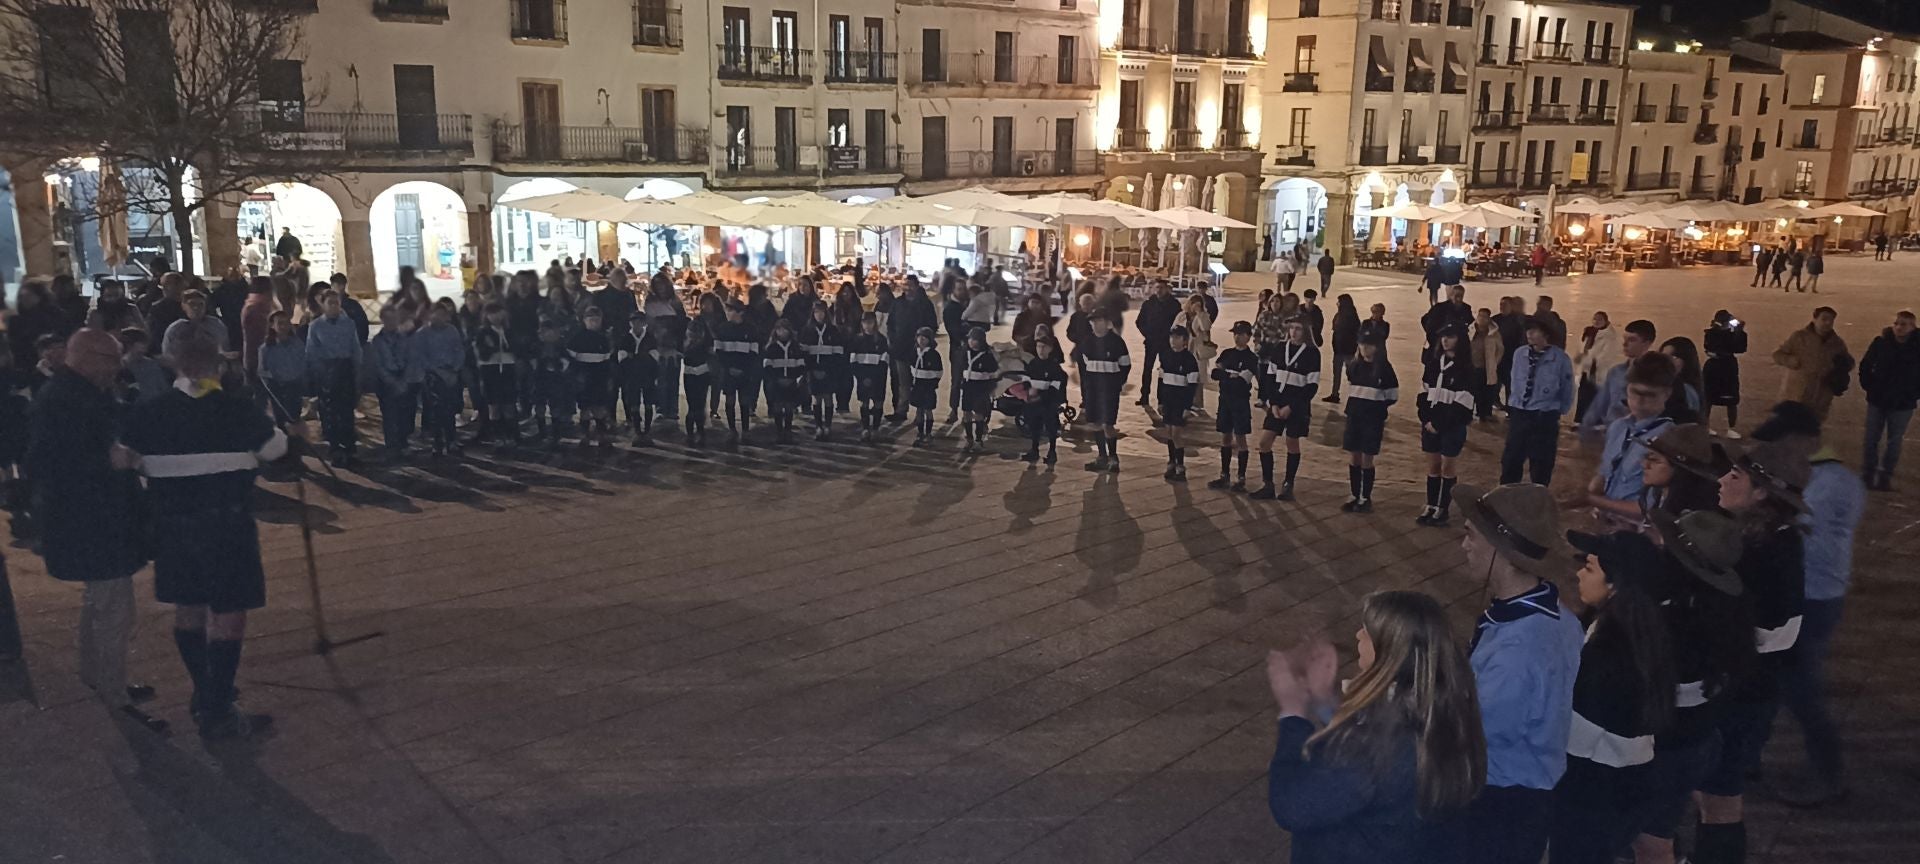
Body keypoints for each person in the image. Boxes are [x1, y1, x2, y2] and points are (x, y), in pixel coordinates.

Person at [123, 332, 287, 740]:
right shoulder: (238, 409)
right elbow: (275, 449)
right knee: (229, 614)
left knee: (189, 608)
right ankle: (218, 708)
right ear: (218, 366)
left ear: (176, 365)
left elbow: (127, 458)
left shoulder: (149, 413)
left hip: (173, 525)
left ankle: (204, 689)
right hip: (227, 526)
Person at [1265, 591, 1485, 864]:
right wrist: (1324, 701)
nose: (1358, 635)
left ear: (1391, 651)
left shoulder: (1382, 742)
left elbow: (1293, 806)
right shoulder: (1442, 709)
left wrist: (1293, 713)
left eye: (1367, 632)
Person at [27, 329, 163, 732]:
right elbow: (50, 463)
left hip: (93, 519)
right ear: (86, 357)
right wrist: (111, 461)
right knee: (114, 608)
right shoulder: (66, 400)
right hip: (94, 522)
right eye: (110, 360)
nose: (116, 368)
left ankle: (95, 674)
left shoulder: (74, 393)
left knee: (99, 601)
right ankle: (114, 691)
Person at [1451, 482, 1584, 864]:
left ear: (1501, 550)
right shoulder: (1556, 615)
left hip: (1500, 798)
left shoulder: (1519, 650)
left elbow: (1473, 732)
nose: (1464, 546)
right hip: (1529, 791)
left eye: (1471, 535)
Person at [1693, 434, 1809, 864]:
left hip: (1741, 695)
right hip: (1741, 688)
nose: (1722, 480)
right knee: (1709, 792)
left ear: (1761, 493)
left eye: (1735, 476)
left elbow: (1774, 632)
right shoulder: (1763, 539)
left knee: (1719, 796)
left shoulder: (1769, 551)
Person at [1750, 403, 1864, 809]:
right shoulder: (1824, 477)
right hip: (1805, 592)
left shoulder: (1828, 483)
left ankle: (1829, 776)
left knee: (1799, 688)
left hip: (1812, 597)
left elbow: (1793, 531)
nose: (1778, 450)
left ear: (1806, 440)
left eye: (1784, 442)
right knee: (1770, 678)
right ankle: (1749, 756)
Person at [1552, 529, 1677, 864]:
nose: (1578, 574)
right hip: (1623, 784)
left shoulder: (1612, 653)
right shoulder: (1638, 629)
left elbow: (1576, 730)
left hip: (1595, 794)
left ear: (1616, 584)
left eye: (1589, 568)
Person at [1588, 353, 1678, 531]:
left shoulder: (1669, 438)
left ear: (1667, 394)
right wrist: (1595, 491)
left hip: (1639, 532)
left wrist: (1593, 500)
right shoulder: (1618, 427)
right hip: (1608, 525)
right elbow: (1605, 473)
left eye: (1649, 395)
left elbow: (1651, 508)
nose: (1639, 401)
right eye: (1634, 391)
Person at [1500, 318, 1575, 485]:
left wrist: (1558, 410)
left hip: (1544, 415)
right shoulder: (1520, 354)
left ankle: (1538, 494)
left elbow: (1567, 387)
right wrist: (1515, 404)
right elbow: (1515, 379)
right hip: (1521, 413)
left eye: (1534, 331)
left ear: (1545, 334)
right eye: (1528, 331)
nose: (1529, 334)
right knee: (1511, 458)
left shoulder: (1560, 358)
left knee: (1541, 462)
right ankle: (1507, 493)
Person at [1252, 316, 1318, 500]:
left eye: (1298, 329)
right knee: (1264, 442)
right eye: (1292, 328)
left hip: (1297, 404)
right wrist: (1273, 403)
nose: (1294, 332)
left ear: (1305, 332)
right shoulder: (1280, 348)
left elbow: (1312, 386)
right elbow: (1270, 377)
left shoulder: (1312, 353)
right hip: (1278, 401)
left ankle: (1288, 484)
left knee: (1292, 442)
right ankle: (1268, 484)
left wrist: (1291, 407)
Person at [1416, 325, 1475, 525]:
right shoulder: (1433, 364)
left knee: (1448, 465)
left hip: (1452, 425)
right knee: (1433, 465)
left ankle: (1443, 508)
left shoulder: (1466, 369)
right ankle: (1431, 504)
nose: (1445, 341)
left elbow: (1463, 404)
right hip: (1431, 424)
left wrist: (1439, 423)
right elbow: (1423, 394)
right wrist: (1426, 419)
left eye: (1450, 337)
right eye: (1443, 337)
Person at [1857, 310, 1920, 490]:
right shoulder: (1881, 343)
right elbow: (1866, 365)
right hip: (1879, 399)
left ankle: (1885, 476)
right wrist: (1869, 386)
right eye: (1897, 323)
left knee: (1894, 441)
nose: (1899, 327)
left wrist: (1913, 393)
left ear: (1913, 327)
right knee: (1871, 438)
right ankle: (1868, 474)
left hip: (1902, 403)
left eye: (1904, 324)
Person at [1339, 330, 1397, 512]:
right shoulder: (1354, 366)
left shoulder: (1384, 369)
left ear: (1377, 347)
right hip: (1354, 416)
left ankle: (1365, 496)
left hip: (1372, 419)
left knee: (1367, 457)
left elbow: (1392, 395)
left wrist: (1376, 406)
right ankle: (1354, 494)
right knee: (1354, 456)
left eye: (1369, 345)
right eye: (1362, 344)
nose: (1365, 348)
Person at [305, 290, 361, 467]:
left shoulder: (349, 324)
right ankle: (335, 448)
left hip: (345, 369)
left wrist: (357, 369)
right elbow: (311, 352)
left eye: (337, 302)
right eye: (330, 303)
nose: (334, 306)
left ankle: (350, 449)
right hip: (326, 370)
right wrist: (320, 374)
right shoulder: (316, 326)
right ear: (322, 305)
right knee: (330, 412)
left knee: (347, 410)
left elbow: (355, 347)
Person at [1770, 305, 1850, 421]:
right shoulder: (1799, 337)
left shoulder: (1837, 344)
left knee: (1810, 429)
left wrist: (1840, 370)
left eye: (1831, 320)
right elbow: (1777, 354)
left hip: (1819, 399)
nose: (1827, 323)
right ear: (1814, 319)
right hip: (1795, 396)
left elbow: (1848, 363)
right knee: (1789, 427)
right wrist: (1789, 360)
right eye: (1824, 319)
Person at [1209, 321, 1259, 491]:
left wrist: (1226, 374)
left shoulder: (1251, 358)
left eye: (1241, 334)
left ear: (1248, 337)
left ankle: (1241, 477)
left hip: (1240, 401)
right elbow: (1214, 373)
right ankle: (1224, 474)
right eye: (1235, 334)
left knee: (1240, 438)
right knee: (1225, 437)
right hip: (1225, 399)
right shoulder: (1227, 353)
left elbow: (1243, 380)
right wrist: (1231, 375)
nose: (1237, 337)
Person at [1580, 319, 1655, 432]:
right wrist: (1587, 424)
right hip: (1612, 429)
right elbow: (1601, 402)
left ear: (1647, 343)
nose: (1625, 344)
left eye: (1632, 340)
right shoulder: (1616, 372)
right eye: (1625, 339)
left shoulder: (1654, 375)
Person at [1079, 310, 1131, 472]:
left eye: (1099, 321)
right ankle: (1102, 456)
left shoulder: (1116, 342)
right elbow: (1084, 365)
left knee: (1108, 423)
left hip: (1109, 390)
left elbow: (1125, 365)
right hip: (1093, 389)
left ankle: (1113, 458)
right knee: (1095, 423)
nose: (1095, 325)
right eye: (1093, 322)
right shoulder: (1087, 342)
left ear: (1106, 322)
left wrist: (1117, 383)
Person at [1636, 422, 1723, 519]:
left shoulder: (1693, 514)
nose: (1644, 465)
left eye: (1654, 460)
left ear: (1680, 470)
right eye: (1646, 457)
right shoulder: (1663, 494)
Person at [370, 306, 422, 459]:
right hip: (386, 382)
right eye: (388, 318)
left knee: (406, 414)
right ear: (382, 320)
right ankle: (392, 446)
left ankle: (403, 442)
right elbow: (378, 365)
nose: (391, 321)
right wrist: (392, 381)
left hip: (404, 377)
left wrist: (405, 380)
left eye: (393, 318)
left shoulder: (405, 338)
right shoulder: (377, 341)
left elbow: (411, 359)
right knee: (390, 415)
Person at [417, 303, 466, 456]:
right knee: (436, 411)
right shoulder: (422, 334)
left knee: (450, 409)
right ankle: (437, 442)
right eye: (436, 314)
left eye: (442, 315)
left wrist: (455, 370)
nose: (439, 318)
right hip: (433, 376)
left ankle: (451, 440)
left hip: (451, 373)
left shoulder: (452, 331)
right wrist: (438, 372)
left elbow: (459, 350)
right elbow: (421, 357)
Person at [886, 277, 936, 422]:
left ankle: (920, 413)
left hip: (920, 350)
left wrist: (926, 342)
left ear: (917, 286)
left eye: (910, 285)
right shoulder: (898, 303)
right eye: (905, 285)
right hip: (900, 349)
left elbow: (932, 325)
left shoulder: (925, 304)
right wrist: (893, 340)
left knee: (921, 383)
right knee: (903, 382)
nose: (907, 288)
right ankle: (901, 411)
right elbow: (890, 323)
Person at [713, 301, 761, 444]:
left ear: (740, 312)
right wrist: (729, 367)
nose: (728, 314)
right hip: (729, 372)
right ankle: (732, 429)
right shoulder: (722, 329)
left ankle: (745, 430)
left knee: (744, 401)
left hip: (744, 372)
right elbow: (719, 352)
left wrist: (743, 368)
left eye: (731, 311)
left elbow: (754, 352)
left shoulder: (751, 329)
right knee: (730, 400)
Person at [1156, 326, 1201, 479]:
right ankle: (1171, 462)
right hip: (1168, 399)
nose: (1173, 341)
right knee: (1169, 431)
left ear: (1185, 340)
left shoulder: (1189, 360)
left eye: (1177, 337)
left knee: (1176, 433)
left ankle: (1180, 466)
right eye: (1171, 337)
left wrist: (1188, 406)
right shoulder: (1166, 356)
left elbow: (1192, 385)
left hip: (1180, 401)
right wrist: (1160, 401)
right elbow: (1160, 380)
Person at [472, 302, 518, 444]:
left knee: (509, 404)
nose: (496, 316)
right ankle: (498, 437)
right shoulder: (482, 333)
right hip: (490, 371)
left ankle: (511, 435)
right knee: (494, 405)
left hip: (508, 369)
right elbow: (482, 353)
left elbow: (517, 349)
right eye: (492, 313)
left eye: (498, 312)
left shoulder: (509, 331)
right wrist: (495, 349)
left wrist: (498, 348)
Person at [801, 302, 847, 441]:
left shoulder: (833, 330)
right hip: (813, 371)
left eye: (821, 312)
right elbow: (804, 354)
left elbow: (838, 354)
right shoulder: (807, 331)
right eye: (816, 312)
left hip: (829, 371)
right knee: (816, 398)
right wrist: (812, 370)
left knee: (828, 397)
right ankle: (818, 426)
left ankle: (828, 426)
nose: (819, 315)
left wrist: (829, 370)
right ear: (813, 314)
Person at [1020, 337, 1067, 464]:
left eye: (1043, 347)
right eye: (1038, 346)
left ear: (1050, 349)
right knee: (1034, 426)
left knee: (1051, 427)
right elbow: (1025, 379)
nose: (1040, 350)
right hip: (1034, 403)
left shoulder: (1054, 367)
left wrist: (1039, 395)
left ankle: (1052, 452)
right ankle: (1034, 450)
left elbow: (1055, 388)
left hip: (1048, 404)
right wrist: (1028, 390)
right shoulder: (1032, 364)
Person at [615, 314, 661, 445]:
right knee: (633, 402)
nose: (636, 324)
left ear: (644, 323)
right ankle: (637, 431)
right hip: (632, 376)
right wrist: (642, 357)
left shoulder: (650, 337)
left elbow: (655, 358)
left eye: (639, 321)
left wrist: (633, 357)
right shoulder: (626, 338)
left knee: (648, 402)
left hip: (647, 375)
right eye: (634, 322)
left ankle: (647, 431)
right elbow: (621, 358)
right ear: (630, 323)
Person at [761, 318, 808, 445]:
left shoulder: (795, 347)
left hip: (791, 382)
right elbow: (767, 366)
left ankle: (788, 431)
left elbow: (801, 365)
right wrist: (776, 379)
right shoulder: (771, 347)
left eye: (785, 329)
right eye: (779, 329)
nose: (782, 332)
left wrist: (793, 378)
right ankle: (779, 431)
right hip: (777, 383)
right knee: (777, 407)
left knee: (788, 407)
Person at [1134, 280, 1180, 407]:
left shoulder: (1174, 304)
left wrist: (1171, 336)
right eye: (1157, 287)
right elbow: (1139, 322)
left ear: (1166, 289)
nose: (1159, 290)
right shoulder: (1148, 304)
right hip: (1151, 341)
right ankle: (1144, 396)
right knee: (1147, 369)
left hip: (1166, 343)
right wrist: (1147, 334)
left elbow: (1178, 323)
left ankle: (1162, 398)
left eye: (1162, 287)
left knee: (1164, 371)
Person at [1702, 310, 1747, 438]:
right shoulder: (1712, 334)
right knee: (1709, 398)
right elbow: (1712, 347)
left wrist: (1739, 332)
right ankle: (1708, 426)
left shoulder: (1719, 334)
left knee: (1729, 400)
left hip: (1725, 368)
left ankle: (1731, 428)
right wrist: (1737, 332)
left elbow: (1740, 348)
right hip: (1722, 368)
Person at [847, 312, 889, 445]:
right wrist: (861, 377)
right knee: (864, 402)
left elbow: (884, 362)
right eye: (865, 322)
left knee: (878, 403)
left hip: (878, 379)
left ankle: (875, 429)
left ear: (874, 323)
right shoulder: (857, 340)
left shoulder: (881, 340)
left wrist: (874, 377)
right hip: (863, 378)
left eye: (870, 322)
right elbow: (853, 361)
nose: (867, 325)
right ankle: (865, 428)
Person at [257, 312, 306, 425]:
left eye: (286, 323)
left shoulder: (297, 344)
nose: (284, 327)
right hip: (277, 391)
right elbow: (261, 371)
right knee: (281, 422)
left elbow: (303, 363)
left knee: (295, 419)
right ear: (272, 326)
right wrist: (274, 379)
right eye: (280, 323)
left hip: (294, 388)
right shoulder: (265, 349)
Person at [1572, 312, 1621, 424]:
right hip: (1585, 371)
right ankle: (1579, 421)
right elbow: (1581, 348)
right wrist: (1579, 357)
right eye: (1594, 319)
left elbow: (1606, 356)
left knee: (1595, 398)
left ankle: (1593, 422)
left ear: (1606, 321)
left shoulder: (1610, 337)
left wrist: (1588, 360)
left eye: (1599, 319)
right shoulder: (1588, 332)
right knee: (1582, 397)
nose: (1596, 321)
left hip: (1597, 373)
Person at [957, 326, 998, 453]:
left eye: (974, 339)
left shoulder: (987, 356)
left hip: (981, 388)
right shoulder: (965, 353)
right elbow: (960, 369)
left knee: (979, 414)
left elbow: (993, 373)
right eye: (970, 339)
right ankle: (969, 438)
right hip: (968, 386)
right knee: (966, 412)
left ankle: (978, 440)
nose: (971, 342)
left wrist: (991, 388)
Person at [161, 289, 230, 360]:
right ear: (183, 306)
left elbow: (224, 348)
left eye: (201, 304)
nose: (196, 307)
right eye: (192, 304)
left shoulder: (216, 325)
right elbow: (168, 354)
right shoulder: (175, 329)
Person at [1176, 293, 1215, 411]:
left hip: (1197, 350)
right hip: (1184, 348)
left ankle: (1197, 402)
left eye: (1198, 304)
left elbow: (1205, 327)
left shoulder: (1204, 315)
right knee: (1184, 375)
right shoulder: (1182, 315)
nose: (1195, 306)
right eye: (1193, 303)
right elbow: (1174, 328)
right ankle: (1184, 400)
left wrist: (1200, 313)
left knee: (1198, 377)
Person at [680, 313, 714, 446]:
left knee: (694, 406)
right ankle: (698, 432)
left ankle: (693, 433)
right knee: (698, 405)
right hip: (699, 373)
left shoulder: (687, 344)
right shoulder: (701, 344)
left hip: (693, 374)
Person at [907, 326, 942, 445]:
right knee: (919, 410)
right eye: (919, 337)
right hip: (917, 385)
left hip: (928, 387)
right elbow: (911, 368)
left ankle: (928, 433)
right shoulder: (914, 353)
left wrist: (933, 384)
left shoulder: (934, 355)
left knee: (928, 410)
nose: (921, 340)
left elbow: (939, 372)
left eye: (924, 338)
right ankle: (920, 432)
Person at [1659, 336, 1705, 422]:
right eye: (1664, 356)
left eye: (1674, 357)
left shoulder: (1686, 389)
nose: (1667, 361)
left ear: (1687, 360)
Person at [1325, 294, 1360, 403]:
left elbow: (1354, 334)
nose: (1337, 303)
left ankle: (1354, 394)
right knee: (1339, 373)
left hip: (1346, 351)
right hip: (1339, 350)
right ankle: (1335, 394)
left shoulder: (1350, 317)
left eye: (1339, 301)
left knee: (1349, 374)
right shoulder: (1341, 315)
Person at [1470, 307, 1503, 421]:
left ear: (1489, 319)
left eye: (1485, 317)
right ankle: (1471, 412)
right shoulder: (1470, 331)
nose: (1482, 319)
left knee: (1487, 391)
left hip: (1487, 367)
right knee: (1473, 390)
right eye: (1480, 316)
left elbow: (1500, 349)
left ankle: (1485, 413)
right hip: (1473, 366)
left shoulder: (1494, 333)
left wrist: (1494, 362)